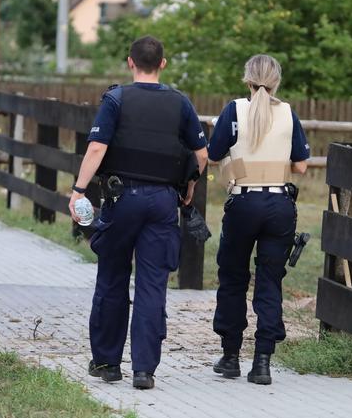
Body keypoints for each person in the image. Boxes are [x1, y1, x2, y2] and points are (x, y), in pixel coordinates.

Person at [68, 36, 208, 390]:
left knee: (113, 278)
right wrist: (189, 186)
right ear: (163, 63)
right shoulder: (180, 103)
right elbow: (202, 155)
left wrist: (79, 190)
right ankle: (144, 370)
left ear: (130, 62)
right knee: (152, 285)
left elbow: (98, 147)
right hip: (163, 202)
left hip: (122, 199)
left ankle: (106, 363)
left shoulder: (116, 99)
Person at [207, 54, 309, 385]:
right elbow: (301, 165)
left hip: (244, 203)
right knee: (270, 280)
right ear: (276, 81)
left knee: (234, 277)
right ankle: (262, 361)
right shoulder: (288, 113)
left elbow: (211, 155)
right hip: (279, 204)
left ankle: (231, 356)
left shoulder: (233, 110)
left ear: (247, 80)